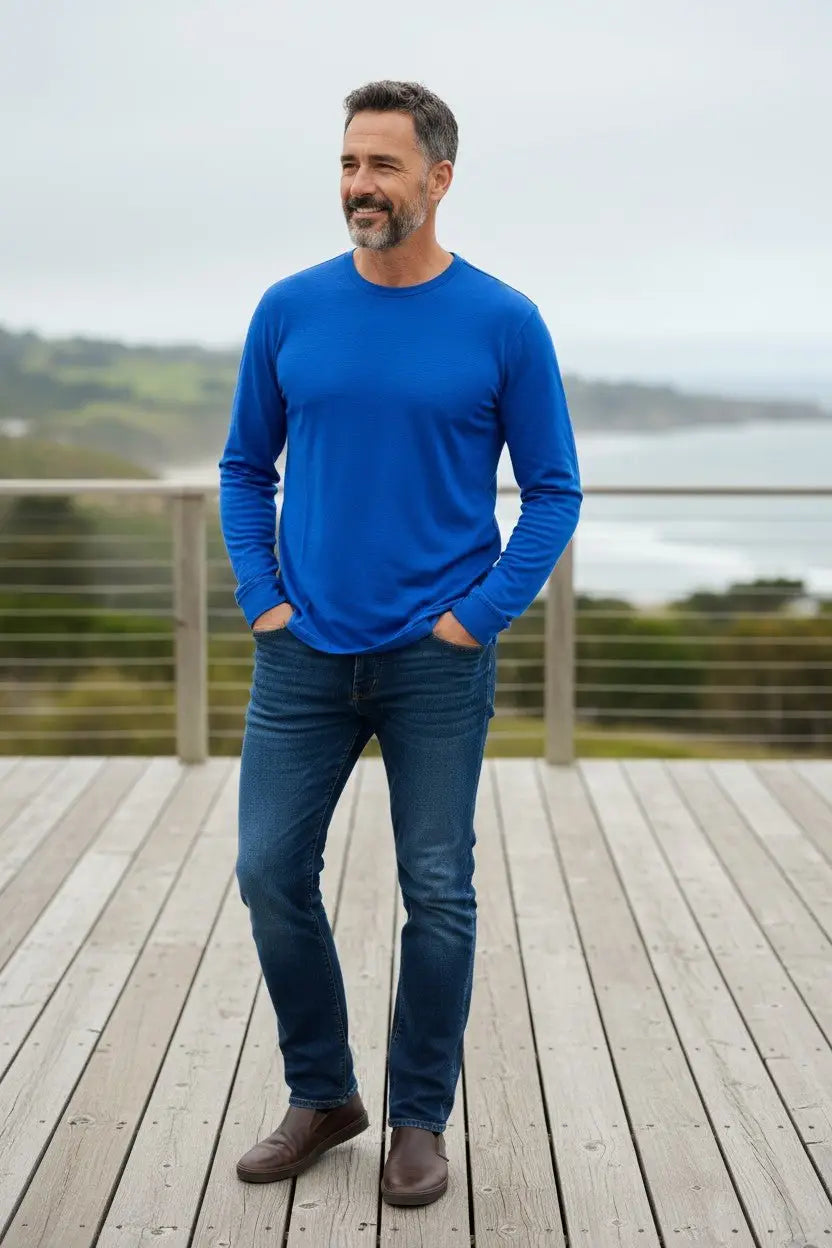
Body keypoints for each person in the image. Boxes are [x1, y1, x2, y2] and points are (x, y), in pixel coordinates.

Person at [218, 79, 582, 1208]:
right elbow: (244, 468)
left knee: (439, 890)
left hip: (436, 661)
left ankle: (418, 1119)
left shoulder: (503, 321)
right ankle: (323, 1093)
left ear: (438, 178)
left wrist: (474, 618)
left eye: (381, 165)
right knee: (269, 872)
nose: (359, 186)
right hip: (302, 657)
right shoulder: (289, 308)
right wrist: (263, 597)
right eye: (346, 165)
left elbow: (554, 492)